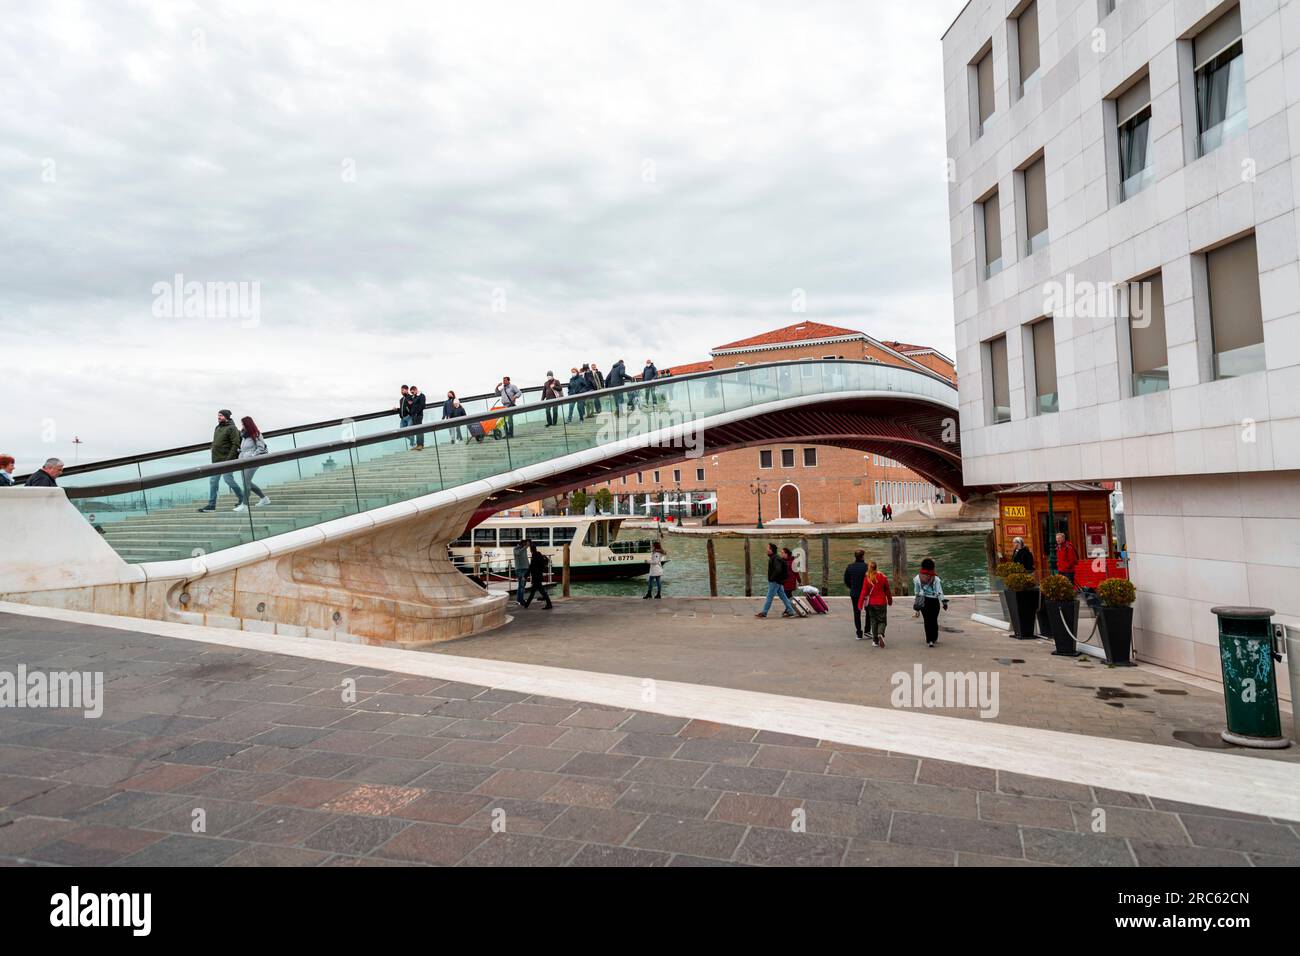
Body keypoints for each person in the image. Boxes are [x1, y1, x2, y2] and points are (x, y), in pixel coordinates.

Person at [198, 410, 243, 512]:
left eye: (221, 415)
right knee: (213, 481)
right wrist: (212, 447)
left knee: (228, 480)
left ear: (226, 417)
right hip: (216, 460)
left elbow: (235, 444)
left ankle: (242, 498)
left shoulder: (232, 428)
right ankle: (211, 505)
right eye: (218, 415)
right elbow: (216, 441)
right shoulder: (217, 427)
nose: (218, 417)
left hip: (226, 460)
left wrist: (228, 459)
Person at [234, 416, 271, 511]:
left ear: (248, 424)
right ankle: (264, 498)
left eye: (243, 424)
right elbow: (245, 448)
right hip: (244, 461)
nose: (242, 426)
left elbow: (261, 448)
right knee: (247, 482)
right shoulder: (244, 435)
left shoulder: (256, 434)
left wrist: (252, 456)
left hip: (252, 462)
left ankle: (245, 505)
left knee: (246, 483)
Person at [755, 543, 797, 618]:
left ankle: (764, 612)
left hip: (775, 581)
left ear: (771, 550)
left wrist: (772, 578)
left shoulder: (775, 558)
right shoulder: (775, 557)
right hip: (778, 581)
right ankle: (791, 611)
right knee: (783, 597)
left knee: (769, 596)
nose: (766, 549)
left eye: (768, 548)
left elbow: (778, 570)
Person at [914, 558, 949, 648]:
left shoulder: (917, 578)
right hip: (934, 601)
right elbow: (939, 592)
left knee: (927, 620)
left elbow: (917, 592)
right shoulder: (935, 578)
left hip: (924, 601)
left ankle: (929, 640)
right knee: (933, 620)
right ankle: (934, 637)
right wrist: (944, 602)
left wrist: (917, 605)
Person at [858, 560, 893, 647]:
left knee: (873, 621)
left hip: (871, 603)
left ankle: (875, 641)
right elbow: (887, 590)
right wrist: (890, 600)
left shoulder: (867, 578)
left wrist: (860, 604)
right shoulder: (883, 577)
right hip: (881, 602)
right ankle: (880, 633)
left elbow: (863, 592)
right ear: (877, 567)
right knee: (882, 621)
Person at [843, 550, 869, 640]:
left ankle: (859, 633)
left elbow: (846, 580)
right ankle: (867, 631)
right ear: (862, 556)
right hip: (866, 594)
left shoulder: (850, 567)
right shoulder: (867, 567)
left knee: (857, 612)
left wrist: (852, 587)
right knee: (868, 611)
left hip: (854, 593)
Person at [521, 541, 554, 610]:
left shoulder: (534, 556)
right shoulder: (539, 555)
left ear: (531, 550)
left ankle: (549, 604)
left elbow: (531, 567)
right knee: (536, 592)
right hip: (539, 576)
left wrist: (525, 576)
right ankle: (527, 605)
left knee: (537, 592)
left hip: (536, 577)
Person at [511, 538, 531, 606]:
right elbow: (518, 553)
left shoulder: (524, 549)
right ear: (522, 544)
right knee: (521, 585)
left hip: (525, 569)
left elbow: (526, 559)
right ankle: (521, 600)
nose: (527, 546)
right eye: (525, 544)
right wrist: (525, 547)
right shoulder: (516, 549)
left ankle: (519, 599)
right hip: (520, 569)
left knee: (522, 585)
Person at [408, 386, 427, 450]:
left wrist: (416, 413)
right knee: (416, 430)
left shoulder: (421, 395)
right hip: (413, 416)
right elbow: (413, 406)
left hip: (418, 415)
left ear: (416, 390)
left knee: (419, 430)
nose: (412, 394)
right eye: (411, 393)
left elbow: (423, 405)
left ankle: (421, 445)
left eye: (413, 392)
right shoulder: (414, 397)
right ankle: (418, 444)